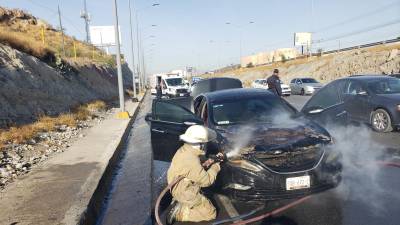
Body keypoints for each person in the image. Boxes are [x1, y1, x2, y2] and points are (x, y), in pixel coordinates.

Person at [167, 125, 224, 223]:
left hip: (179, 185)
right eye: (205, 143)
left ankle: (181, 202)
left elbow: (195, 167)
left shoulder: (186, 150)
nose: (206, 145)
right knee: (211, 213)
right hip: (184, 191)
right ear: (200, 144)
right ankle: (179, 213)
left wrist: (211, 161)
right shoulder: (191, 160)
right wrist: (217, 165)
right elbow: (207, 181)